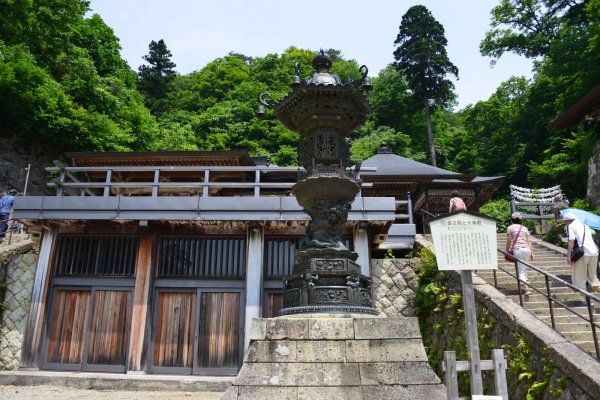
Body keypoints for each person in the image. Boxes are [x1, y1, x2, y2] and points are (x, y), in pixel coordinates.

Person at [563, 212, 600, 294]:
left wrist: (568, 255)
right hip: (594, 253)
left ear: (568, 221)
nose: (564, 223)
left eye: (564, 221)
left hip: (583, 254)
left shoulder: (571, 226)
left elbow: (571, 240)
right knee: (593, 278)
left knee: (579, 277)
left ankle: (587, 301)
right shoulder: (585, 226)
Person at [506, 212, 534, 295]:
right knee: (523, 268)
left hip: (518, 250)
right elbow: (529, 241)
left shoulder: (510, 227)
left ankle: (526, 288)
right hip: (527, 250)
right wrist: (532, 253)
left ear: (512, 220)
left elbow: (509, 240)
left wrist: (507, 249)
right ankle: (525, 281)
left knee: (520, 270)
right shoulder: (524, 228)